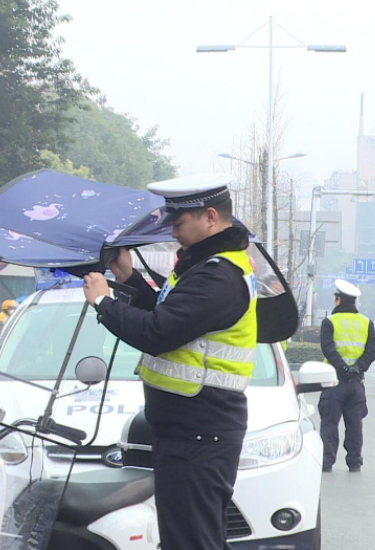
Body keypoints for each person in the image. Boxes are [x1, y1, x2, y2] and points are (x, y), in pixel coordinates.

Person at [82, 174, 257, 550]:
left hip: (199, 431)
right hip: (188, 430)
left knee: (192, 541)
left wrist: (102, 303)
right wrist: (127, 277)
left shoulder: (218, 276)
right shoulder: (206, 268)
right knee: (188, 537)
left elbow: (157, 332)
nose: (173, 233)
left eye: (178, 224)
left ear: (210, 217)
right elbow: (171, 311)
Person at [319, 279, 375, 473]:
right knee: (355, 425)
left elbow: (328, 349)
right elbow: (372, 350)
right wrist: (357, 368)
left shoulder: (330, 322)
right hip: (356, 383)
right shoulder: (366, 323)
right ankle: (354, 462)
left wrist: (342, 367)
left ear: (338, 300)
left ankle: (326, 463)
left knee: (329, 423)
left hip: (334, 381)